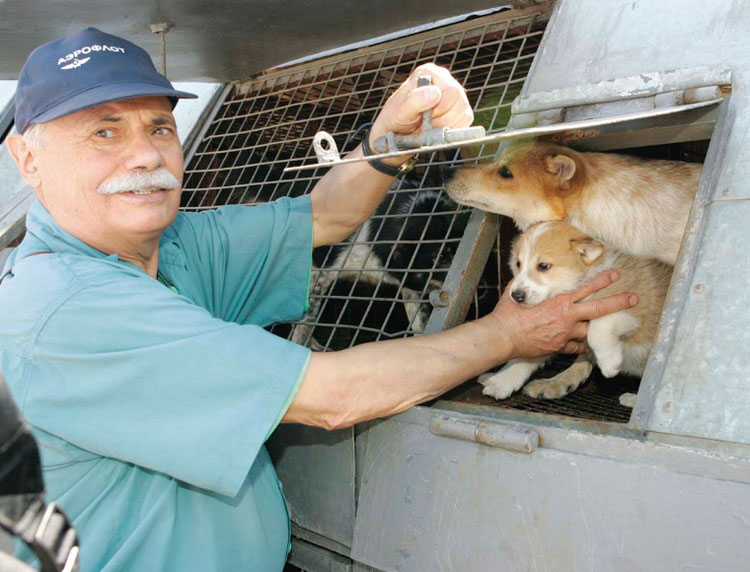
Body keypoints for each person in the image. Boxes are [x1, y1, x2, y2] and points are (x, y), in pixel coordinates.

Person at [0, 27, 636, 572]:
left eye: (159, 126)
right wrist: (510, 334)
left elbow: (325, 217)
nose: (145, 154)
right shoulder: (60, 308)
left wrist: (390, 134)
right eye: (104, 133)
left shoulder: (172, 243)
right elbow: (333, 398)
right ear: (26, 158)